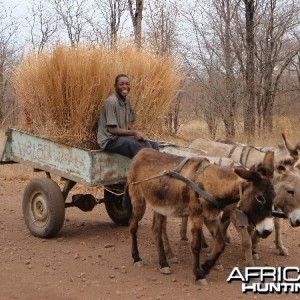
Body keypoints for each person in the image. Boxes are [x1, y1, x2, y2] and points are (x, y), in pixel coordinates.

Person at [97, 74, 159, 158]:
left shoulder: (127, 100)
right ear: (115, 86)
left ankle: (153, 169)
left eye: (127, 84)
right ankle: (143, 170)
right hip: (110, 140)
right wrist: (134, 133)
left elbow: (129, 123)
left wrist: (137, 134)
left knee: (153, 145)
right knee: (140, 147)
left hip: (121, 137)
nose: (125, 86)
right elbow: (112, 130)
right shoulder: (111, 102)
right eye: (121, 84)